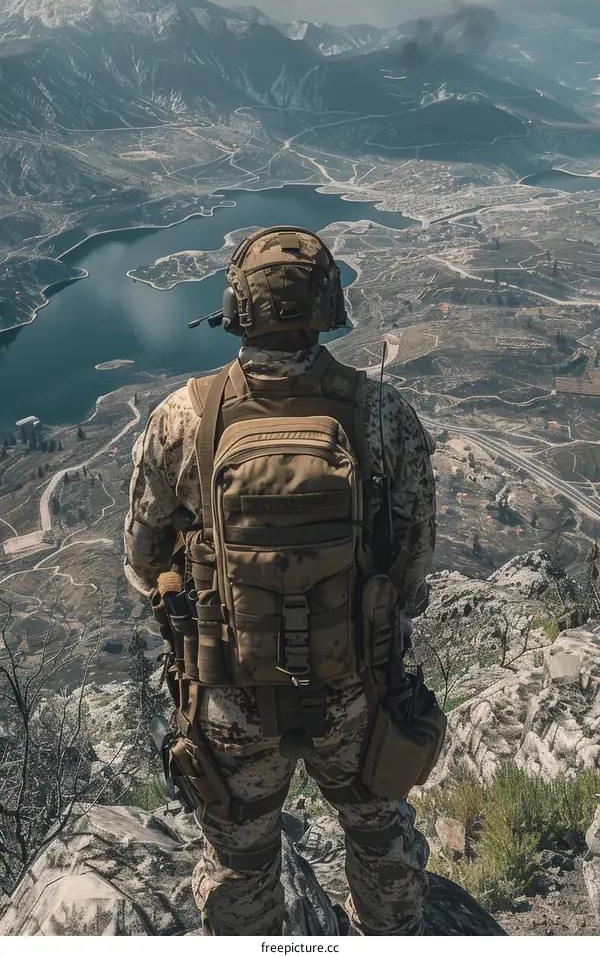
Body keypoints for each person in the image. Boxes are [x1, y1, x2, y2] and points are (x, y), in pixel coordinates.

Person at [124, 226, 437, 936]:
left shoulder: (184, 417)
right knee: (380, 840)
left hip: (228, 693)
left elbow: (144, 560)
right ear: (328, 303)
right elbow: (413, 567)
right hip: (357, 685)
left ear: (238, 305)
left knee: (240, 861)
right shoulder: (382, 413)